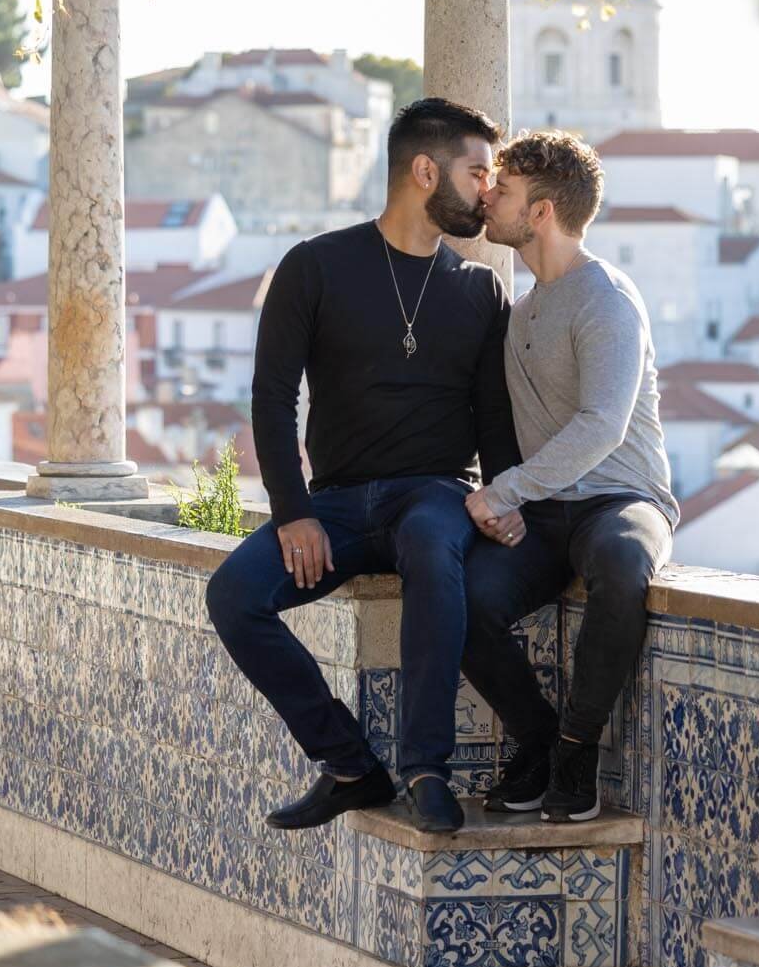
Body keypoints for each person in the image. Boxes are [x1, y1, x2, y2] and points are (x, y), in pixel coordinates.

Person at [205, 98, 523, 836]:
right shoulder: (315, 266)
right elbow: (272, 398)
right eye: (476, 172)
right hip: (338, 504)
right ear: (423, 171)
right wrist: (293, 512)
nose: (485, 189)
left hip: (434, 494)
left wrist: (506, 500)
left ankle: (425, 768)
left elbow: (494, 419)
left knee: (432, 550)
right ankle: (351, 765)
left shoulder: (480, 290)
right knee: (234, 596)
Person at [461, 129, 677, 822]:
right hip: (544, 512)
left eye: (504, 190)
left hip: (621, 498)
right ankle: (538, 741)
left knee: (620, 568)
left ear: (543, 212)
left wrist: (506, 490)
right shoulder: (521, 309)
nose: (487, 199)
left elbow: (601, 425)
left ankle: (577, 750)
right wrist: (505, 494)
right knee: (457, 597)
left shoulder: (605, 298)